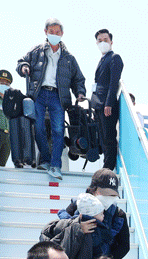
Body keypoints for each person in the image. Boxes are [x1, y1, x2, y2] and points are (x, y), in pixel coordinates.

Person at [17, 18, 86, 180]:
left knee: (58, 130)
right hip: (39, 94)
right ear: (46, 32)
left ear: (61, 33)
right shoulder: (37, 51)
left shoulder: (69, 58)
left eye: (57, 32)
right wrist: (24, 67)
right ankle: (46, 160)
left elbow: (78, 79)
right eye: (51, 32)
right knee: (39, 127)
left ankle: (55, 165)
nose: (54, 34)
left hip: (58, 97)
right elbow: (21, 61)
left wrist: (80, 93)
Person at [56, 169, 130, 259]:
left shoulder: (119, 215)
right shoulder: (78, 204)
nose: (109, 198)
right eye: (105, 194)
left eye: (113, 195)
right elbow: (58, 228)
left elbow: (124, 246)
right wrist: (78, 226)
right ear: (94, 190)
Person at [92, 28, 123, 170]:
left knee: (109, 139)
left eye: (105, 40)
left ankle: (109, 168)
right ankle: (106, 166)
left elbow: (113, 83)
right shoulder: (101, 60)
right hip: (98, 105)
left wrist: (109, 103)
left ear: (111, 42)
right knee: (103, 139)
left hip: (107, 105)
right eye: (100, 41)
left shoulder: (114, 58)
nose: (102, 43)